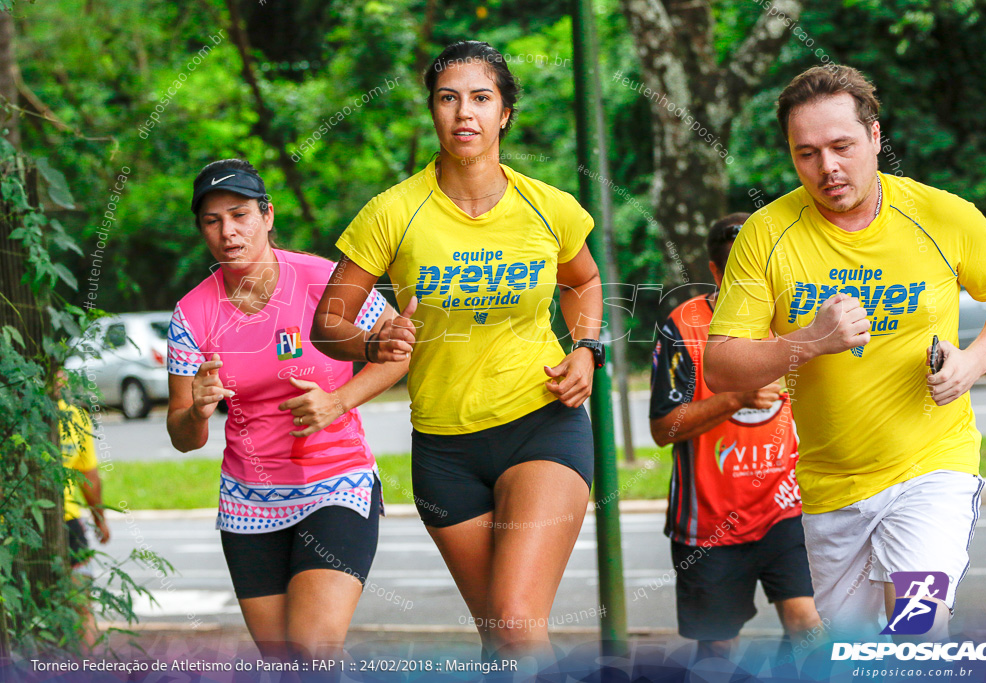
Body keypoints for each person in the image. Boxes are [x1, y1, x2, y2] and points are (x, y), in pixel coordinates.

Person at [703, 65, 986, 641]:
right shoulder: (766, 234)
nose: (827, 168)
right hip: (832, 484)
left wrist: (973, 363)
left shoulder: (940, 214)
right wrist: (810, 342)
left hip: (933, 466)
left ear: (875, 137)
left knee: (918, 628)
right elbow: (721, 363)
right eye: (807, 154)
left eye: (842, 146)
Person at [310, 41, 603, 663]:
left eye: (480, 98)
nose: (463, 113)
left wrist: (585, 347)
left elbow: (583, 281)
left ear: (505, 114)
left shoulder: (548, 207)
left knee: (519, 622)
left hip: (541, 421)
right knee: (499, 640)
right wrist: (373, 341)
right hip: (444, 450)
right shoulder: (392, 211)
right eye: (447, 98)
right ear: (432, 111)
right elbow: (327, 323)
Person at [165, 159, 408, 660]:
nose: (228, 231)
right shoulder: (191, 313)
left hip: (335, 483)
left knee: (314, 649)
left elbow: (397, 354)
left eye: (240, 215)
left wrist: (338, 402)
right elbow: (183, 435)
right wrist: (199, 411)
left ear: (267, 215)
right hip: (249, 500)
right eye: (212, 221)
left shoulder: (323, 280)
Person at [649, 213, 820, 660]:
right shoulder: (683, 327)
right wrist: (734, 397)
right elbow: (663, 428)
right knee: (718, 648)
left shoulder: (798, 315)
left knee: (809, 624)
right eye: (734, 273)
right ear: (713, 272)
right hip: (708, 524)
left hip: (788, 508)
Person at [58, 374, 111, 650]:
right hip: (68, 523)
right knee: (81, 608)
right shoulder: (74, 415)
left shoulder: (14, 409)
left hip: (58, 524)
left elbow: (88, 474)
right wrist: (100, 520)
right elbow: (89, 476)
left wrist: (99, 519)